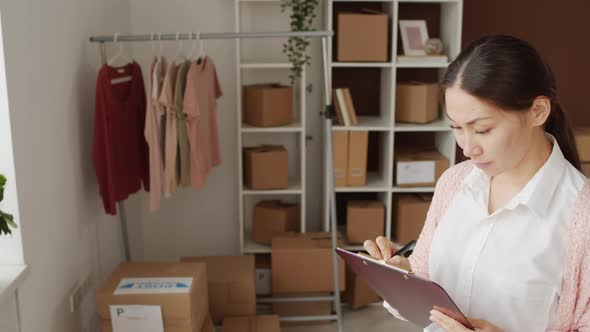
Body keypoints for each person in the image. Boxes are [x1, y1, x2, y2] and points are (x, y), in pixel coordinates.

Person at [364, 35, 590, 332]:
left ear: (538, 111)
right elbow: (426, 288)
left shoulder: (581, 216)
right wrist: (399, 276)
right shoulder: (454, 182)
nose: (467, 148)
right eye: (456, 128)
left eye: (482, 129)